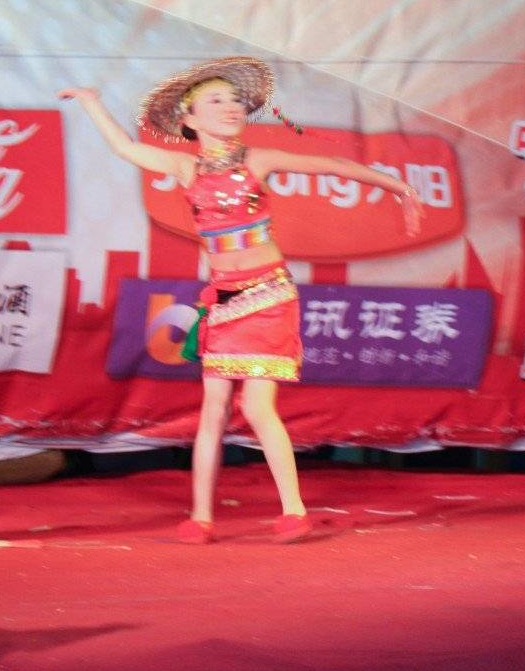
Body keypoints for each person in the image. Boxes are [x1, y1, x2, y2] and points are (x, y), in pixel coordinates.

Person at [60, 56, 424, 544]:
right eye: (216, 100)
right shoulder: (184, 166)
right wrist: (92, 103)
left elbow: (333, 165)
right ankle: (201, 517)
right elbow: (125, 147)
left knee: (256, 407)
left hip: (268, 293)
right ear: (189, 118)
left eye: (234, 100)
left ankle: (293, 511)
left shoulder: (257, 160)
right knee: (213, 409)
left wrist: (398, 186)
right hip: (223, 299)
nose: (230, 107)